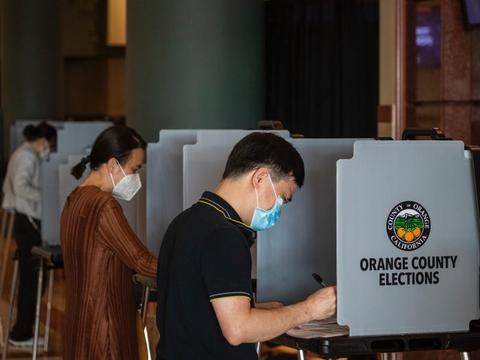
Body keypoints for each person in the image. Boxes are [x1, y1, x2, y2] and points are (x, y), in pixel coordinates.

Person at [156, 132, 337, 360]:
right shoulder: (223, 236)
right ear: (260, 178)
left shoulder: (186, 221)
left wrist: (273, 313)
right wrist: (308, 310)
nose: (279, 210)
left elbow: (200, 308)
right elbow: (238, 329)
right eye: (282, 198)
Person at [60, 125, 157, 360]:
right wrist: (192, 266)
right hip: (105, 327)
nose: (136, 177)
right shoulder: (103, 205)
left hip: (79, 323)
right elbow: (141, 261)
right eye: (135, 169)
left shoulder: (74, 198)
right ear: (113, 165)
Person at [1, 121, 56, 347]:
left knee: (29, 278)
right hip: (28, 221)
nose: (49, 149)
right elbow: (21, 187)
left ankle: (22, 330)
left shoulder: (22, 153)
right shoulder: (27, 157)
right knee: (31, 280)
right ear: (43, 141)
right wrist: (47, 194)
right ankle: (22, 332)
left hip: (24, 220)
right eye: (49, 145)